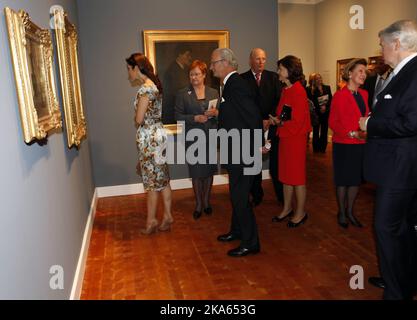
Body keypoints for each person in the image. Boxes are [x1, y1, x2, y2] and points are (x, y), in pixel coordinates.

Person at [359, 20, 417, 300]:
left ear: (396, 43)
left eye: (382, 44)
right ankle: (401, 282)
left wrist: (371, 125)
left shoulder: (414, 73)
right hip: (396, 166)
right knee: (400, 229)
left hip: (401, 169)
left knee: (387, 228)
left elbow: (412, 122)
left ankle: (397, 292)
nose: (380, 49)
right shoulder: (401, 73)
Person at [210, 48, 263, 257]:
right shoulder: (229, 84)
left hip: (243, 152)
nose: (212, 66)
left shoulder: (236, 85)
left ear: (225, 62)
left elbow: (253, 117)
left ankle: (251, 243)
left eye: (214, 62)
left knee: (240, 196)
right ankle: (237, 230)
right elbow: (237, 116)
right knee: (236, 193)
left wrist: (256, 148)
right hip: (236, 150)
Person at [126, 53, 173, 235]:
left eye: (129, 69)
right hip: (158, 134)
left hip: (149, 138)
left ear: (136, 68)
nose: (128, 73)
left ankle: (151, 221)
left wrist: (136, 116)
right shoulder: (154, 86)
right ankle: (167, 216)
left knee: (152, 181)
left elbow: (139, 119)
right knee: (162, 177)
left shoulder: (145, 89)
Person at [175, 60, 219, 220]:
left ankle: (207, 202)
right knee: (196, 173)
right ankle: (199, 204)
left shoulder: (214, 92)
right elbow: (178, 116)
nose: (193, 77)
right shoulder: (182, 94)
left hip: (210, 137)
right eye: (191, 74)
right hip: (193, 139)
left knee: (208, 171)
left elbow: (221, 113)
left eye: (197, 74)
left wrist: (216, 113)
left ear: (204, 75)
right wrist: (195, 118)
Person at [271, 55, 311, 228]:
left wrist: (279, 122)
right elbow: (284, 115)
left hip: (295, 139)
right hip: (286, 138)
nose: (278, 72)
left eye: (280, 69)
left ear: (289, 71)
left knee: (297, 178)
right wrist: (277, 120)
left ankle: (300, 212)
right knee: (286, 177)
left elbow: (298, 121)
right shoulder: (285, 90)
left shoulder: (299, 91)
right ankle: (287, 208)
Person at [329, 58, 369, 229]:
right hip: (343, 144)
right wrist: (352, 133)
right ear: (350, 73)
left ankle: (350, 211)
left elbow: (366, 117)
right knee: (343, 180)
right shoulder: (340, 95)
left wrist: (366, 129)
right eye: (360, 71)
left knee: (354, 180)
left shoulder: (364, 94)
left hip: (360, 144)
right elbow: (333, 122)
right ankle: (342, 213)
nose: (364, 75)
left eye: (365, 72)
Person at [240, 48, 284, 205]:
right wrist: (258, 120)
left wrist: (268, 119)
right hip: (252, 128)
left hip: (272, 127)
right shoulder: (242, 79)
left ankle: (282, 197)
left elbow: (279, 101)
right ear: (250, 60)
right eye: (258, 59)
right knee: (255, 163)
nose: (261, 62)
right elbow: (243, 104)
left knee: (276, 164)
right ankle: (256, 194)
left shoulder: (273, 77)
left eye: (263, 59)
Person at [162, 45, 192, 124]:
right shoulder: (172, 70)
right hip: (173, 113)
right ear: (180, 54)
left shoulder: (184, 69)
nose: (190, 58)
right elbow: (176, 92)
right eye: (187, 55)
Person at [307, 73, 333, 153]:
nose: (319, 80)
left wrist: (325, 107)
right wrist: (319, 108)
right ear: (313, 80)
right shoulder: (310, 89)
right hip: (316, 114)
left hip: (326, 113)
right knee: (315, 130)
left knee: (324, 130)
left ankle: (323, 148)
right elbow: (310, 102)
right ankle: (316, 148)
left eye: (320, 78)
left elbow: (331, 99)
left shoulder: (327, 87)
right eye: (317, 78)